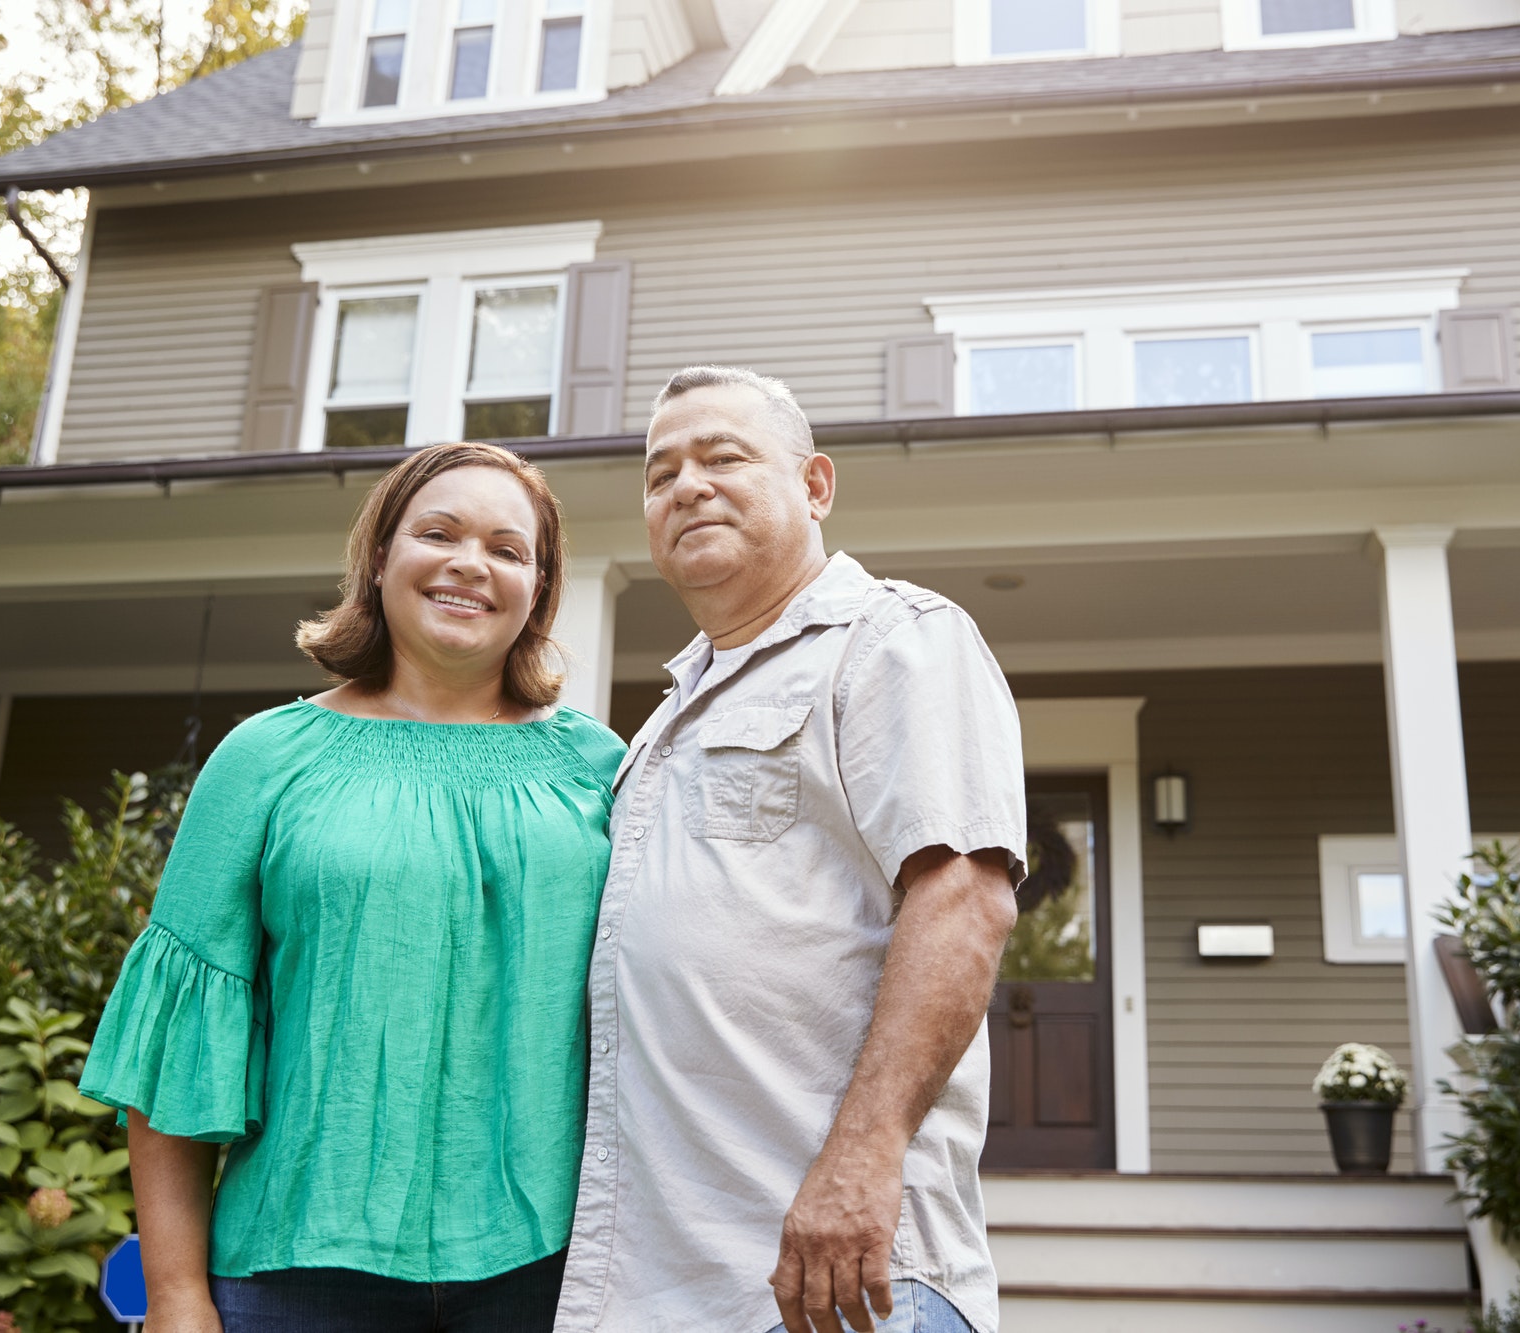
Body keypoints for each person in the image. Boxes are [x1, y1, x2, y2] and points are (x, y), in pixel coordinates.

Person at [78, 443, 625, 1333]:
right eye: (437, 532)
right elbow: (180, 1049)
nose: (468, 563)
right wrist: (178, 1297)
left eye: (507, 547)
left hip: (554, 1269)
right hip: (297, 1272)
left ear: (538, 586)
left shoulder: (601, 770)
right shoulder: (263, 759)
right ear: (380, 558)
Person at [555, 367, 1025, 1333]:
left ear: (815, 485)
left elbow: (965, 899)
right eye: (660, 473)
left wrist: (864, 1158)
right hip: (662, 1282)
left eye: (724, 456)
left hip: (836, 1279)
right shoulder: (662, 718)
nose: (686, 485)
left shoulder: (894, 640)